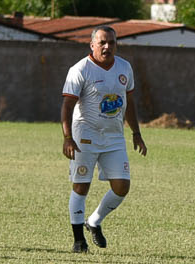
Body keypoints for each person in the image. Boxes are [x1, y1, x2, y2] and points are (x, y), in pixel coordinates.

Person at [60, 25, 147, 252]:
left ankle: (94, 221)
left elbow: (129, 102)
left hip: (114, 137)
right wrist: (68, 137)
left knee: (122, 186)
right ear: (92, 45)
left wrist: (136, 133)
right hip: (85, 136)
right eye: (102, 43)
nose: (107, 46)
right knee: (81, 186)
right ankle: (79, 240)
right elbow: (67, 105)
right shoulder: (80, 69)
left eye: (112, 42)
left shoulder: (124, 67)